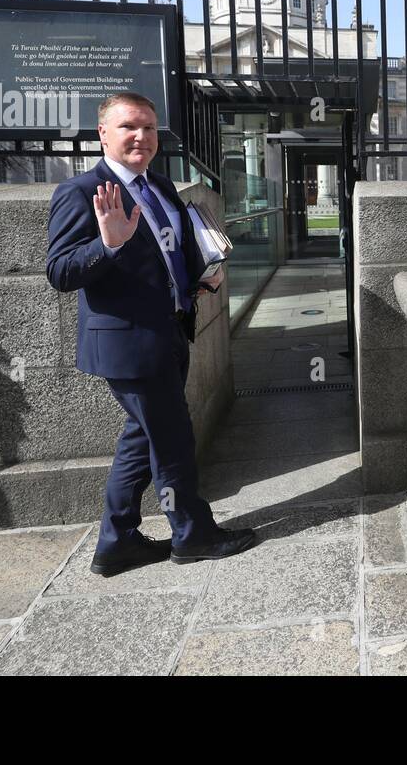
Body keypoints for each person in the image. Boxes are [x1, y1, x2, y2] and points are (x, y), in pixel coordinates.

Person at [45, 91, 257, 576]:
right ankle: (192, 534)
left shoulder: (159, 186)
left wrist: (200, 278)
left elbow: (170, 257)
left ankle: (116, 542)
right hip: (129, 346)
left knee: (142, 437)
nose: (141, 136)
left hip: (170, 335)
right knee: (173, 439)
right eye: (128, 127)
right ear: (103, 134)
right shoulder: (81, 193)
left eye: (149, 127)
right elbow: (59, 272)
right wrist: (107, 244)